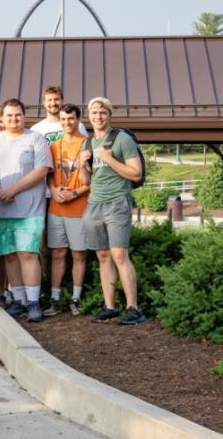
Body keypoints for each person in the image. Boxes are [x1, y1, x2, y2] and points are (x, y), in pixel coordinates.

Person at [0, 99, 52, 322]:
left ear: (24, 115)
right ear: (2, 118)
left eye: (18, 115)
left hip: (29, 209)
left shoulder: (36, 139)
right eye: (9, 115)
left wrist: (13, 189)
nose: (14, 119)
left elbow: (41, 170)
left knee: (27, 254)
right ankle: (19, 300)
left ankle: (33, 302)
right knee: (10, 255)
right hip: (0, 208)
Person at [82, 97, 145, 325]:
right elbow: (87, 180)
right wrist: (81, 164)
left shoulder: (122, 139)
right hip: (94, 203)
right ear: (89, 116)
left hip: (117, 201)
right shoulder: (87, 143)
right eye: (94, 113)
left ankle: (132, 308)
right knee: (103, 255)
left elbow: (135, 174)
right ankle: (110, 306)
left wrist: (109, 159)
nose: (98, 117)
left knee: (119, 255)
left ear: (109, 115)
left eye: (102, 113)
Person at [45, 104, 90, 317]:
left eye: (71, 119)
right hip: (56, 208)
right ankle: (54, 299)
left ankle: (76, 298)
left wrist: (74, 193)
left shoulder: (86, 144)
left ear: (78, 120)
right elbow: (49, 174)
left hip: (78, 208)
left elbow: (92, 180)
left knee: (79, 254)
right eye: (63, 119)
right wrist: (54, 190)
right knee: (58, 253)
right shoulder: (54, 146)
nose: (66, 123)